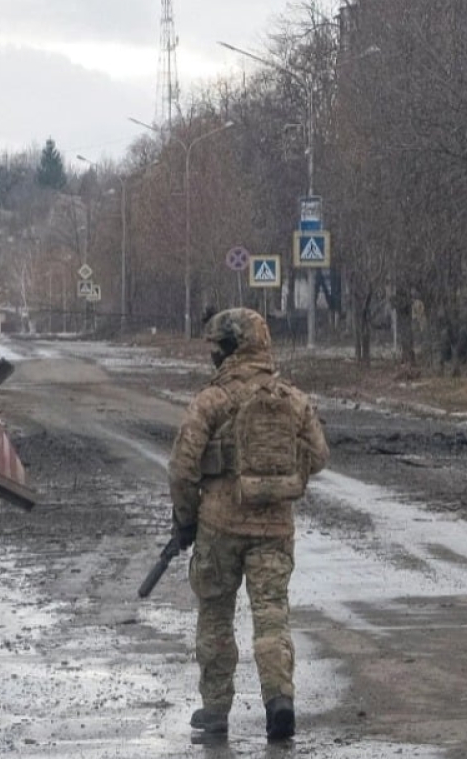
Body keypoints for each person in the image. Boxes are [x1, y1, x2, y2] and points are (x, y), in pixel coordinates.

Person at [168, 307, 329, 740]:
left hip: (218, 526)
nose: (213, 357)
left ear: (230, 349)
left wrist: (185, 520)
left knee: (216, 615)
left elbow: (182, 467)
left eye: (217, 348)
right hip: (275, 527)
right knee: (272, 615)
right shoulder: (291, 399)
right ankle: (279, 700)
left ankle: (216, 710)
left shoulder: (212, 400)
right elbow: (318, 455)